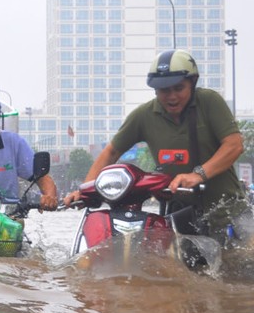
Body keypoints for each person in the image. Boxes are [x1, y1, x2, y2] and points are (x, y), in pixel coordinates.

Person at [63, 49, 249, 243]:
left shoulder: (209, 102)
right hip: (180, 216)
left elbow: (234, 145)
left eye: (178, 88)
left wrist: (197, 175)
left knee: (243, 262)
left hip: (228, 211)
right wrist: (85, 190)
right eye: (164, 90)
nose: (172, 96)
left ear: (192, 83)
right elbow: (111, 152)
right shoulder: (144, 115)